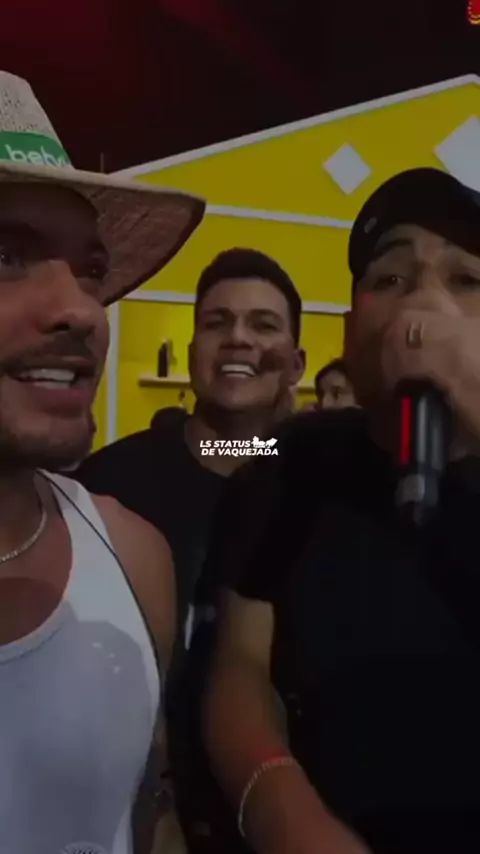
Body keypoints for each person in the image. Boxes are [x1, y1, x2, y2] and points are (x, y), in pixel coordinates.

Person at [203, 167, 480, 854]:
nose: (421, 311)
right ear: (351, 332)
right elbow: (240, 665)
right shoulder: (288, 463)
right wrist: (282, 810)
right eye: (391, 279)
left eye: (467, 280)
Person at [0, 70, 205, 854]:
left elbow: (151, 804)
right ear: (192, 350)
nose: (83, 309)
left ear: (294, 357)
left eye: (91, 271)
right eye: (6, 255)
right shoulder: (151, 454)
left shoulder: (275, 462)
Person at [75, 246, 305, 850]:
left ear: (296, 363)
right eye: (216, 323)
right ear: (193, 350)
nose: (238, 339)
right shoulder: (110, 482)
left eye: (263, 324)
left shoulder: (322, 491)